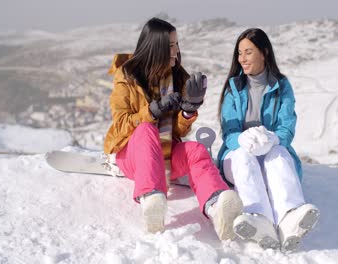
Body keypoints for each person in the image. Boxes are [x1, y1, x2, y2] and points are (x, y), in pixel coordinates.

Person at [104, 17, 243, 240]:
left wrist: (188, 111)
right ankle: (151, 200)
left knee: (197, 150)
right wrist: (152, 111)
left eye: (176, 44)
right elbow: (120, 125)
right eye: (170, 45)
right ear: (155, 48)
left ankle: (217, 206)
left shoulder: (177, 77)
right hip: (132, 155)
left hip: (165, 154)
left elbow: (177, 133)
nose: (175, 50)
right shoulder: (127, 76)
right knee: (146, 130)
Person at [217, 28, 320, 251]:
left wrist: (273, 139)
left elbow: (286, 127)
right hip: (237, 154)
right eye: (239, 53)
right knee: (244, 156)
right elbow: (229, 131)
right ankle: (257, 217)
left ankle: (290, 217)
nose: (242, 59)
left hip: (270, 154)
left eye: (248, 52)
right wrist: (242, 140)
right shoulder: (234, 88)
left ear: (264, 53)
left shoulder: (282, 87)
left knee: (279, 154)